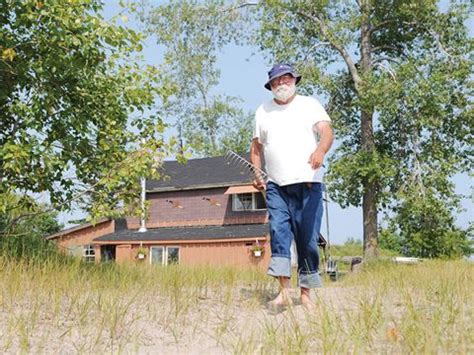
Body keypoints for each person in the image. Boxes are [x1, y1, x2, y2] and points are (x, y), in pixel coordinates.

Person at [250, 63, 334, 309]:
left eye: (286, 78)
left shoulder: (309, 104)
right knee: (279, 232)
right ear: (270, 86)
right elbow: (256, 148)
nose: (281, 83)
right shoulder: (263, 111)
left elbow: (327, 132)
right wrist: (256, 172)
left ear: (294, 80)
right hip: (276, 185)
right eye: (276, 81)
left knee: (307, 239)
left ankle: (305, 293)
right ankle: (284, 291)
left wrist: (320, 150)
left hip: (307, 184)